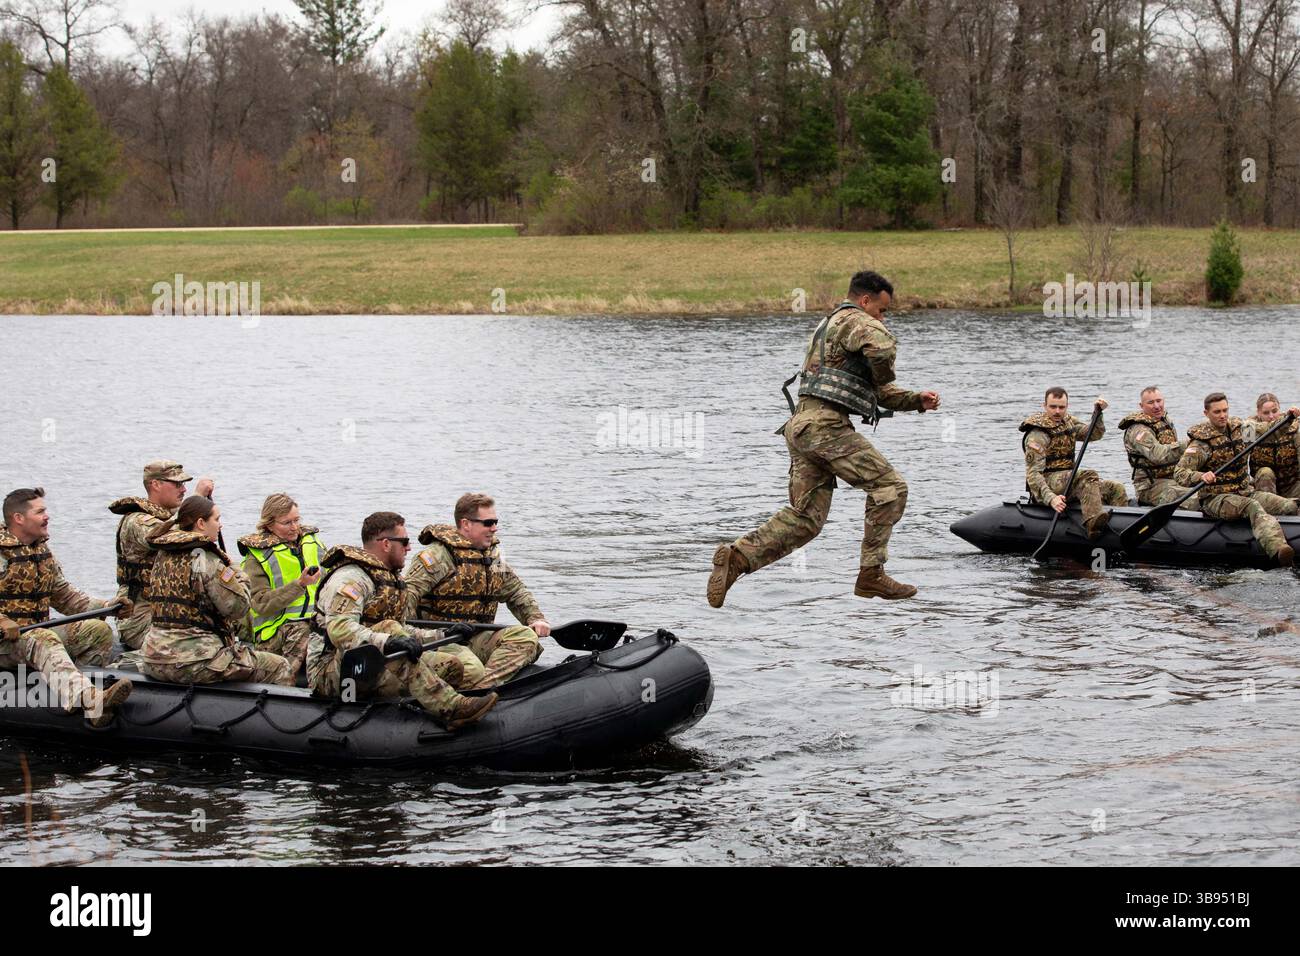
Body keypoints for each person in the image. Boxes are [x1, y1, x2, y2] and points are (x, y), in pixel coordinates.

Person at [708, 270, 941, 604]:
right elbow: (882, 348)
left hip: (802, 427)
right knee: (890, 488)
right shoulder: (853, 320)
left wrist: (916, 400)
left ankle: (738, 558)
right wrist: (883, 368)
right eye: (882, 310)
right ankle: (871, 574)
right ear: (865, 300)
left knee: (806, 520)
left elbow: (876, 392)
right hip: (825, 426)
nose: (883, 317)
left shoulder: (827, 326)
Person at [310, 511, 496, 731]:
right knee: (389, 630)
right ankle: (452, 708)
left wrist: (442, 635)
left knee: (451, 666)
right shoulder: (351, 579)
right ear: (386, 544)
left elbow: (402, 630)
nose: (409, 548)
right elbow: (340, 630)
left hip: (373, 662)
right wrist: (388, 641)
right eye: (405, 542)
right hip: (337, 673)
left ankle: (428, 715)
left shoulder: (390, 579)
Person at [0, 488, 132, 727]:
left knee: (97, 631)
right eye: (40, 511)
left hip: (31, 634)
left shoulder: (41, 551)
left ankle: (81, 692)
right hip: (6, 643)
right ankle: (91, 701)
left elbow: (66, 597)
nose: (47, 516)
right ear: (19, 518)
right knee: (42, 639)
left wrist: (106, 606)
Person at [140, 496, 293, 685]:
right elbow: (239, 608)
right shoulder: (208, 560)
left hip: (154, 656)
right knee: (280, 666)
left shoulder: (162, 554)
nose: (220, 525)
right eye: (217, 519)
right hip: (196, 661)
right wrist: (236, 571)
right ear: (201, 523)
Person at [404, 493, 549, 690]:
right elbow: (405, 601)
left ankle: (482, 690)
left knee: (525, 638)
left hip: (478, 637)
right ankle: (473, 692)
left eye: (495, 522)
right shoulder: (435, 557)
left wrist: (535, 618)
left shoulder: (492, 555)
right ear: (466, 524)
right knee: (469, 669)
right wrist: (417, 638)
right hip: (441, 640)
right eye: (488, 523)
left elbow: (515, 591)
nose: (494, 528)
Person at [1175, 392, 1298, 567]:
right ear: (1206, 413)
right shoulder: (1201, 444)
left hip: (1244, 491)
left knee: (1290, 505)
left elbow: (1270, 432)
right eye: (1217, 412)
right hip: (1217, 498)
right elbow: (1179, 472)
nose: (1223, 415)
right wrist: (1200, 476)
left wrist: (1289, 418)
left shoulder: (1240, 430)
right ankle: (1279, 550)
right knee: (1252, 506)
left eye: (1225, 410)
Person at [109, 461, 213, 650]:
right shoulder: (136, 521)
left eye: (184, 485)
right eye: (177, 484)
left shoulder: (167, 516)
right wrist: (197, 500)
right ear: (155, 484)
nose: (183, 489)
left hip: (168, 613)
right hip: (139, 619)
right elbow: (169, 536)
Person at [1020, 387, 1128, 539]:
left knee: (1115, 488)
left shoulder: (1068, 423)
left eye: (1061, 407)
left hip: (1069, 480)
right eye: (1053, 407)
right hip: (1048, 482)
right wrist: (1051, 498)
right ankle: (1093, 525)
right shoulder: (1037, 434)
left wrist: (1097, 414)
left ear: (1067, 406)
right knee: (1088, 475)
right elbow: (1033, 475)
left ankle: (1122, 528)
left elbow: (1094, 434)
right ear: (1045, 406)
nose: (1057, 411)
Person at [237, 493, 323, 677]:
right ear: (269, 525)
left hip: (315, 622)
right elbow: (260, 604)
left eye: (296, 520)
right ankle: (283, 682)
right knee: (302, 629)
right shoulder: (257, 556)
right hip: (273, 635)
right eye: (287, 523)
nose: (294, 528)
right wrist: (299, 585)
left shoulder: (313, 543)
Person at [1118, 386, 1198, 509]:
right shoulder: (1139, 430)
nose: (1156, 406)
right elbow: (1158, 455)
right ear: (1141, 405)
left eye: (1159, 401)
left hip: (1173, 478)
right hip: (1150, 487)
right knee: (1195, 498)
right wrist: (1187, 444)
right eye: (1150, 402)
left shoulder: (1164, 420)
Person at [1245, 392, 1300, 499]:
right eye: (1266, 413)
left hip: (1291, 485)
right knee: (1266, 472)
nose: (1271, 416)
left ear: (1280, 409)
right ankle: (1269, 507)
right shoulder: (1249, 428)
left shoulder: (1293, 425)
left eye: (1275, 411)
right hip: (1264, 484)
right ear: (1258, 413)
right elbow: (1241, 459)